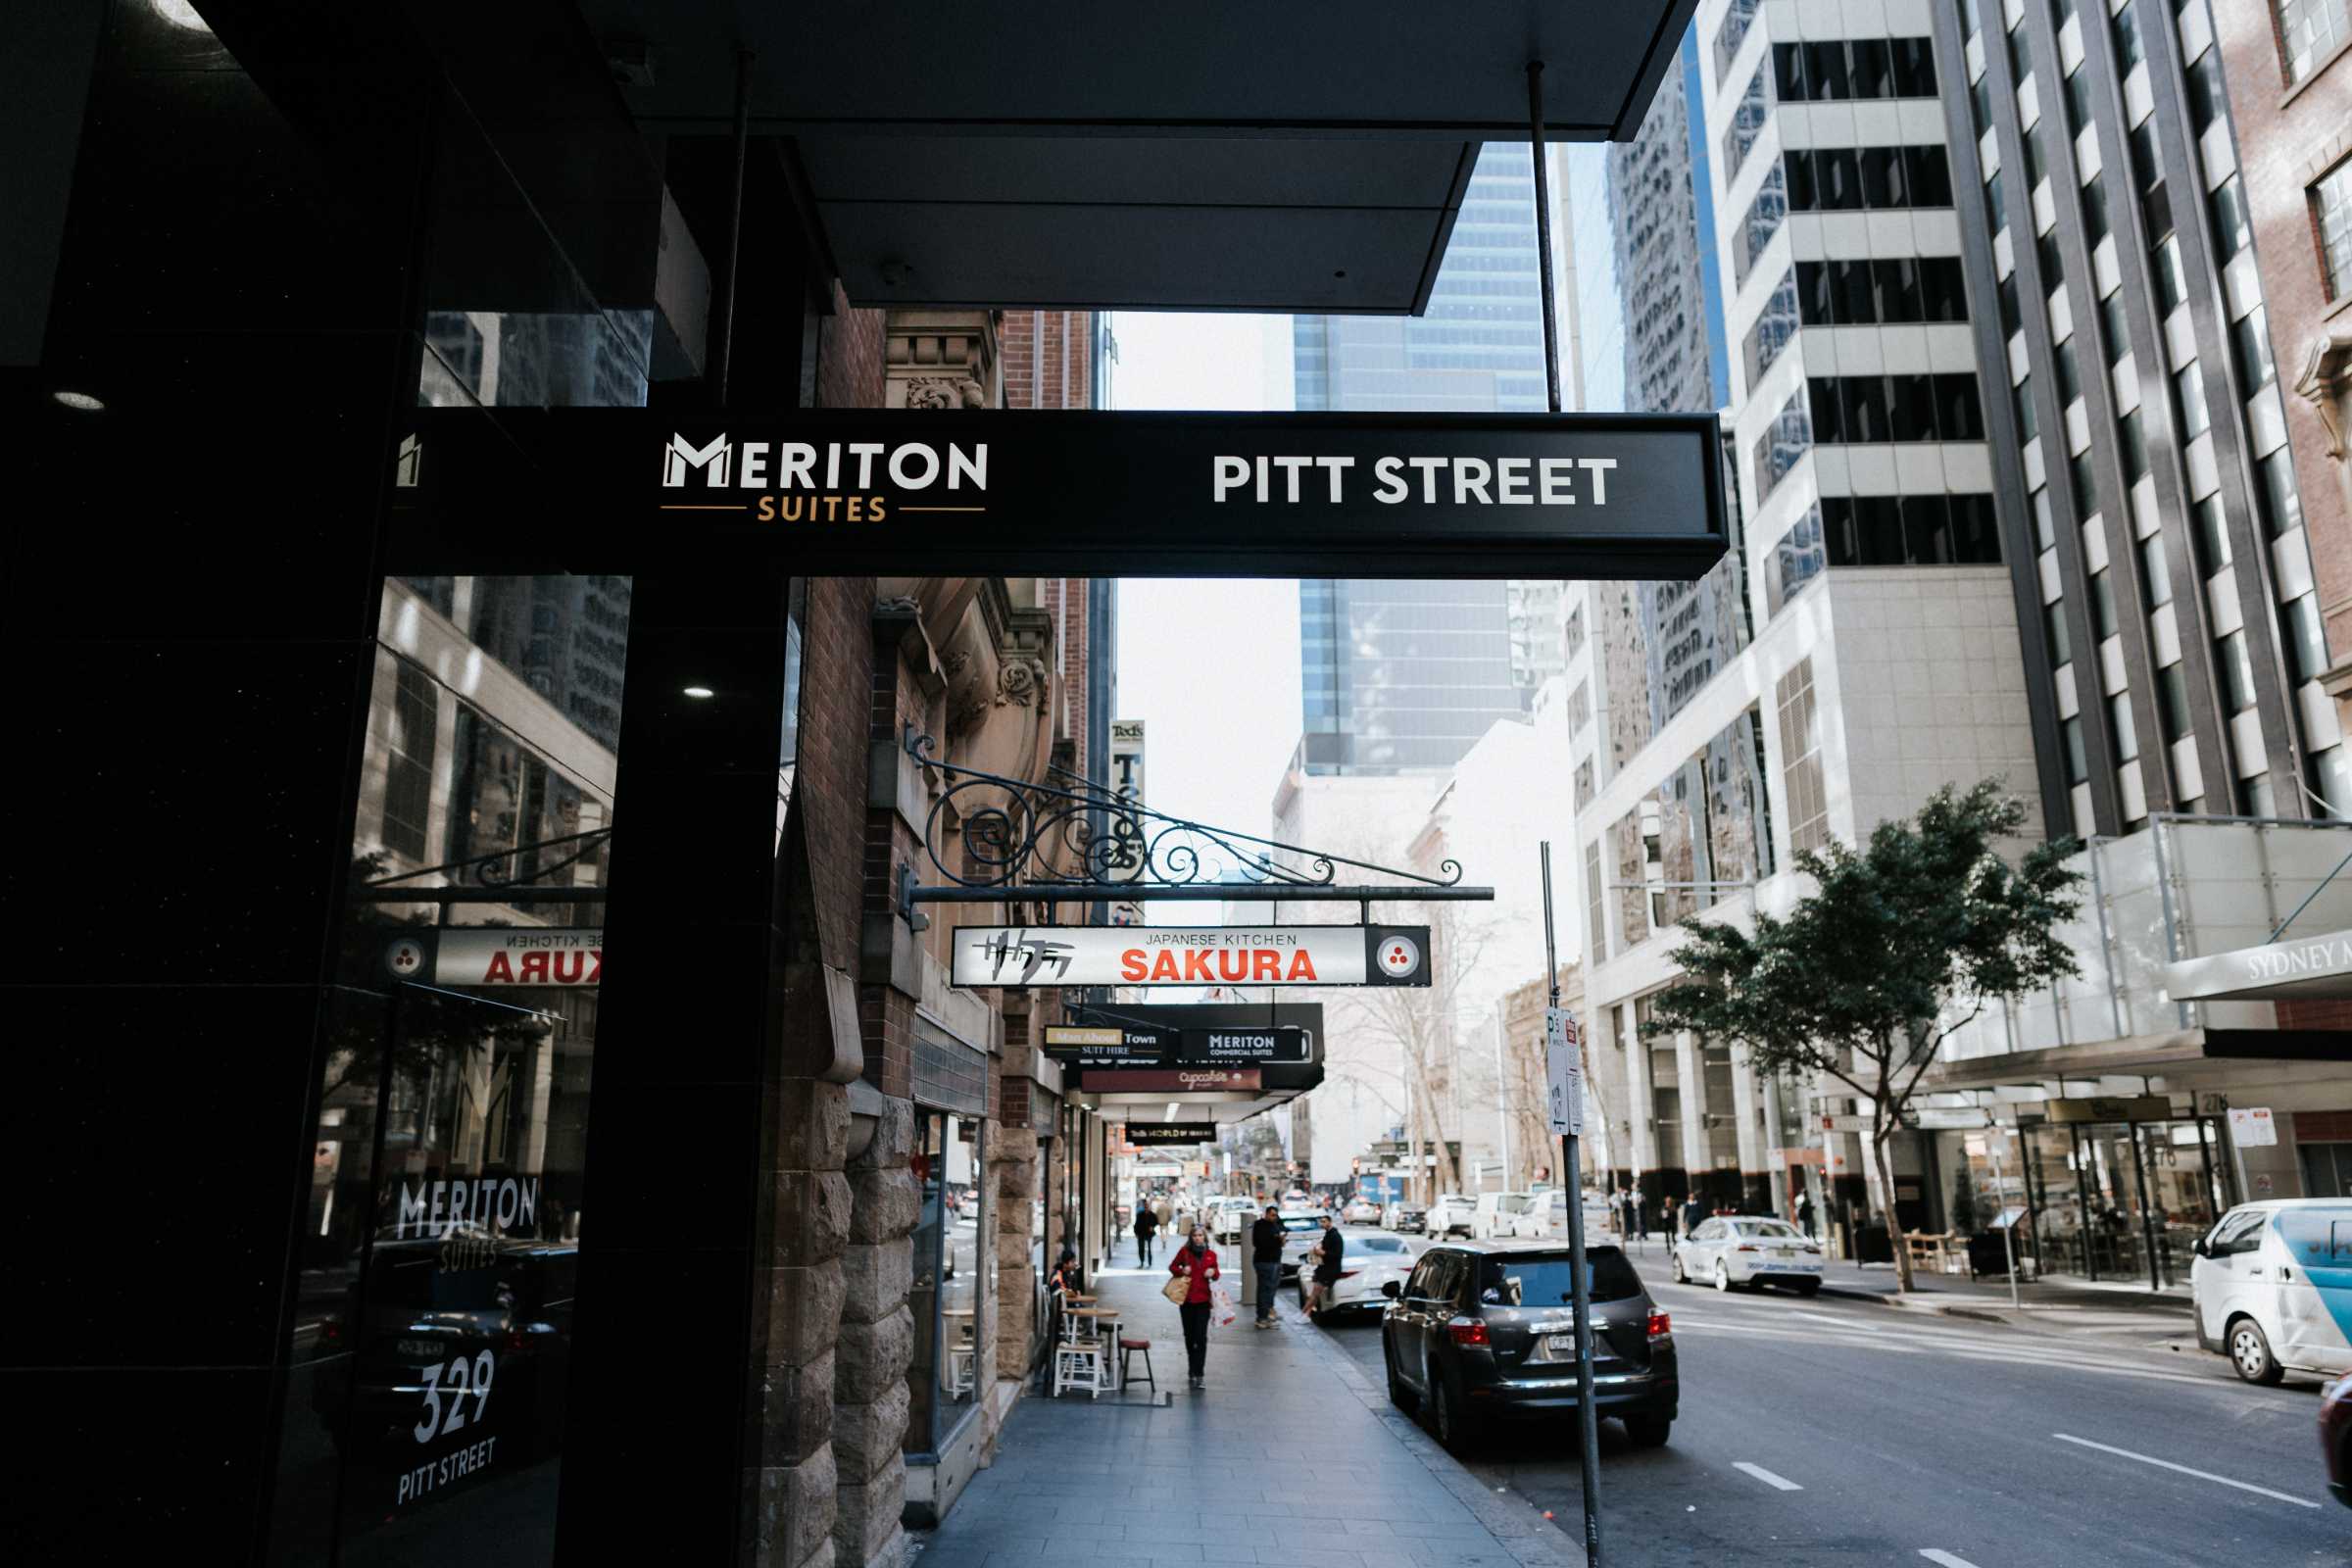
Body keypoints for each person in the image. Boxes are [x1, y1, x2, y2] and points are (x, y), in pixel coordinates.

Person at [1168, 1224, 1221, 1391]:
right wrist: (1182, 1270)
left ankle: (1199, 1374)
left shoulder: (1211, 1255)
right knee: (1189, 1337)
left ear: (1205, 1237)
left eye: (1201, 1235)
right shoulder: (1184, 1253)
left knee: (1201, 1337)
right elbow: (1172, 1267)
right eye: (1195, 1236)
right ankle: (1192, 1368)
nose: (1198, 1238)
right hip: (1187, 1301)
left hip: (1203, 1302)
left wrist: (1213, 1273)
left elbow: (1217, 1273)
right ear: (1191, 1238)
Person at [1250, 1203, 1286, 1328]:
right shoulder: (1260, 1225)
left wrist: (1281, 1237)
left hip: (1275, 1261)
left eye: (1275, 1215)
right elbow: (1259, 1242)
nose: (1274, 1217)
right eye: (1271, 1215)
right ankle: (1262, 1317)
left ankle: (1269, 1314)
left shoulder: (1276, 1223)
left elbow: (1283, 1229)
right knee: (1264, 1290)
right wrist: (1277, 1239)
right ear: (1266, 1214)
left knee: (1271, 1289)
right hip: (1264, 1262)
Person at [1306, 1213, 1346, 1316]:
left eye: (1324, 1221)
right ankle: (1306, 1313)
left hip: (1329, 1270)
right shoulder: (1328, 1234)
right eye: (1321, 1222)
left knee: (1315, 1294)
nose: (1322, 1224)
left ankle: (1304, 1314)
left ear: (1330, 1222)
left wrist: (1323, 1253)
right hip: (1324, 1269)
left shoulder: (1335, 1236)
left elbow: (1337, 1254)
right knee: (1315, 1294)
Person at [1133, 1198, 1159, 1266]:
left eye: (1147, 1206)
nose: (1146, 1208)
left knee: (1149, 1249)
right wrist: (1135, 1232)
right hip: (1141, 1233)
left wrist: (1152, 1226)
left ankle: (1149, 1262)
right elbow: (1136, 1224)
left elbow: (1157, 1222)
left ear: (1149, 1207)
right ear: (1144, 1207)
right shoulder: (1140, 1214)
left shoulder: (1152, 1215)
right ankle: (1142, 1261)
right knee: (1141, 1248)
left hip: (1149, 1234)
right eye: (1145, 1206)